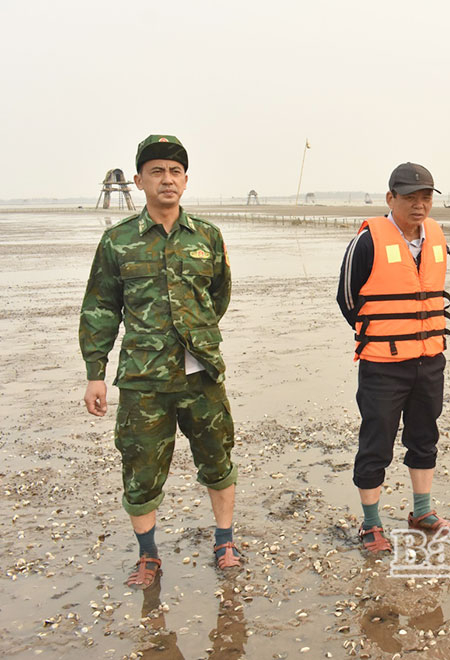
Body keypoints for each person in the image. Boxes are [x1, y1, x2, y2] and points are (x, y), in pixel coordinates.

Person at [80, 134, 240, 589]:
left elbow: (218, 295)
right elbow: (100, 308)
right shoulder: (118, 241)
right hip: (143, 379)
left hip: (201, 373)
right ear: (138, 180)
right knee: (140, 465)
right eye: (157, 171)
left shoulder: (207, 236)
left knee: (217, 457)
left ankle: (224, 540)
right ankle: (148, 556)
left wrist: (196, 335)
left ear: (185, 181)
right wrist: (96, 373)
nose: (166, 179)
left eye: (174, 171)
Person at [336, 162, 450, 554]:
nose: (419, 205)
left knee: (425, 437)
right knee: (376, 443)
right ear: (391, 198)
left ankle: (422, 511)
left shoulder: (437, 236)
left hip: (429, 357)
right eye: (409, 198)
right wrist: (383, 333)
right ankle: (371, 524)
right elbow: (348, 299)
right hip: (383, 364)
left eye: (425, 197)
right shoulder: (368, 240)